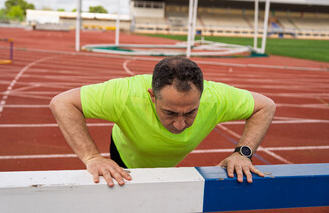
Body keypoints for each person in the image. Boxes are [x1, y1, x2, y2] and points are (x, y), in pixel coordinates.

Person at [50, 56, 276, 187]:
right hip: (126, 155)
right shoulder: (126, 94)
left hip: (168, 160)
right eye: (170, 113)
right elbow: (62, 102)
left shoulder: (216, 98)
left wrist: (243, 153)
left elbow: (266, 105)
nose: (179, 125)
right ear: (151, 96)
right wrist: (92, 158)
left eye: (190, 113)